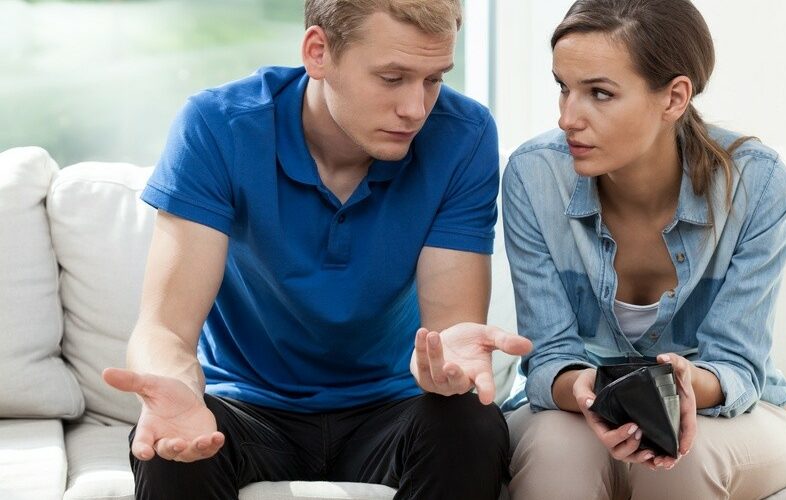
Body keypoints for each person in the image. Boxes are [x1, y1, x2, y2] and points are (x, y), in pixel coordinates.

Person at [100, 1, 531, 499]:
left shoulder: (463, 135)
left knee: (470, 423)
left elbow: (449, 330)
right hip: (247, 407)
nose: (416, 108)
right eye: (392, 78)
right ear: (318, 52)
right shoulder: (218, 126)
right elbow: (165, 329)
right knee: (177, 440)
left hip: (392, 407)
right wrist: (174, 384)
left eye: (433, 79)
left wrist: (444, 363)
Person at [500, 0, 786, 498]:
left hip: (725, 412)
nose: (566, 118)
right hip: (576, 413)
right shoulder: (534, 177)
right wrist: (585, 390)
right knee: (557, 457)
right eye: (563, 88)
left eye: (599, 93)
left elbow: (737, 364)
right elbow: (550, 356)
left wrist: (686, 385)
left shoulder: (757, 184)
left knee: (678, 458)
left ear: (673, 98)